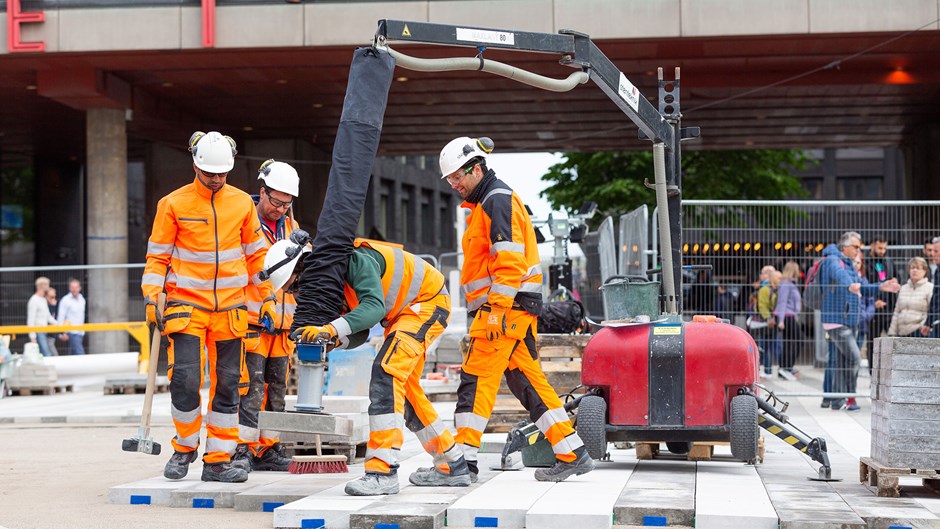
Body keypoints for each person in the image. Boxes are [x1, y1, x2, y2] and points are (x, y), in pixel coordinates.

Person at [437, 136, 594, 482]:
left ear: (476, 169)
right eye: (450, 180)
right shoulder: (488, 202)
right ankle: (574, 452)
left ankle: (461, 464)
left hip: (503, 313)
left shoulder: (496, 200)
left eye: (456, 177)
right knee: (527, 382)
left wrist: (494, 310)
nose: (454, 185)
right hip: (514, 312)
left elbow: (509, 262)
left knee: (475, 381)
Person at [142, 131, 276, 483]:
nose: (216, 179)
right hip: (186, 306)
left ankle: (217, 460)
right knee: (184, 380)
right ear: (195, 165)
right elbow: (157, 258)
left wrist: (268, 297)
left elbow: (256, 256)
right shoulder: (173, 204)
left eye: (222, 173)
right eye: (209, 173)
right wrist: (152, 295)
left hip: (231, 310)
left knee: (230, 385)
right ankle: (184, 448)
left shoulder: (242, 204)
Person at [292, 238, 472, 495]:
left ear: (303, 272)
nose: (297, 296)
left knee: (386, 373)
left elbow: (373, 309)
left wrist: (331, 328)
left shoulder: (353, 261)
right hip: (407, 314)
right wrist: (334, 340)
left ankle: (382, 471)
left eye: (294, 287)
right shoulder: (333, 284)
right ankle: (451, 464)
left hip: (425, 304)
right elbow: (360, 330)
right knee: (406, 392)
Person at [233, 160, 302, 473]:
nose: (280, 209)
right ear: (261, 193)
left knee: (277, 388)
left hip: (283, 325)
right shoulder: (243, 221)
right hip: (253, 321)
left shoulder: (288, 224)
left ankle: (268, 448)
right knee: (251, 388)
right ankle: (243, 449)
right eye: (275, 202)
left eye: (286, 204)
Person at [820, 231, 899, 412]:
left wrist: (881, 286)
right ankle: (848, 397)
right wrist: (850, 284)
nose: (858, 250)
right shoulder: (833, 259)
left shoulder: (848, 264)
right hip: (836, 321)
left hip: (849, 321)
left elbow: (861, 286)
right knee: (854, 358)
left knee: (841, 360)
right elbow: (840, 276)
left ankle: (838, 400)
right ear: (845, 246)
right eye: (855, 246)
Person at [864, 235, 895, 361]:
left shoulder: (888, 260)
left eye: (884, 248)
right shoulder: (865, 262)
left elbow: (894, 276)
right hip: (873, 310)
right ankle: (873, 372)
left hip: (889, 307)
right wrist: (874, 301)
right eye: (880, 248)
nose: (882, 251)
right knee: (873, 342)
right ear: (872, 246)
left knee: (892, 341)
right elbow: (865, 284)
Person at [888, 257, 933, 338]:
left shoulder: (930, 288)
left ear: (925, 271)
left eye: (918, 268)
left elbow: (930, 310)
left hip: (919, 332)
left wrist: (923, 326)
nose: (914, 270)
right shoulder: (904, 288)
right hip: (901, 333)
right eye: (912, 268)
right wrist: (892, 332)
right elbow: (897, 311)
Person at [774, 261, 801, 379]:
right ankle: (786, 367)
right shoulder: (786, 284)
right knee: (793, 342)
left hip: (789, 315)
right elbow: (782, 301)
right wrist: (781, 320)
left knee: (791, 342)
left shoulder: (790, 283)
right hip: (786, 316)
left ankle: (786, 367)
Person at [757, 270, 781, 378]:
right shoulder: (771, 290)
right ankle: (768, 370)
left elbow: (762, 306)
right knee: (769, 347)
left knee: (765, 347)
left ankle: (767, 370)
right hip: (770, 322)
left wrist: (768, 318)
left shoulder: (767, 289)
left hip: (767, 322)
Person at [27, 277, 57, 357]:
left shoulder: (43, 300)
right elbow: (31, 319)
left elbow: (48, 317)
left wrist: (59, 324)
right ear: (43, 286)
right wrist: (32, 336)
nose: (49, 287)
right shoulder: (34, 300)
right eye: (47, 285)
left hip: (44, 330)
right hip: (38, 331)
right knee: (46, 353)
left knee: (44, 354)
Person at [57, 278, 86, 355]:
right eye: (72, 287)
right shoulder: (65, 300)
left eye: (76, 287)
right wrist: (61, 333)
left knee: (73, 355)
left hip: (80, 332)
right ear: (69, 288)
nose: (74, 289)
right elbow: (61, 317)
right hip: (72, 332)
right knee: (80, 354)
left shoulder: (82, 299)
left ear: (79, 288)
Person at [923, 236, 940, 338]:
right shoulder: (938, 270)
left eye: (936, 251)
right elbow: (935, 297)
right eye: (932, 250)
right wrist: (928, 322)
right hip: (936, 320)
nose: (932, 254)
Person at [45, 288, 61, 357]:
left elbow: (56, 316)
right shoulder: (44, 305)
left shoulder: (56, 305)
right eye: (51, 297)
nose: (53, 299)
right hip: (45, 332)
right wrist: (52, 306)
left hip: (52, 332)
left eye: (54, 297)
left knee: (50, 348)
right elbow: (48, 316)